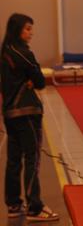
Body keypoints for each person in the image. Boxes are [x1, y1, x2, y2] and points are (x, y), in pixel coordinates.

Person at [0, 13, 59, 221]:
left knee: (14, 160)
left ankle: (14, 204)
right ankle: (35, 207)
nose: (31, 33)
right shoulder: (23, 52)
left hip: (9, 113)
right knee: (32, 158)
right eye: (27, 29)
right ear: (17, 30)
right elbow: (40, 81)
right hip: (26, 112)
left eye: (31, 28)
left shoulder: (4, 52)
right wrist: (32, 81)